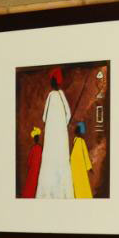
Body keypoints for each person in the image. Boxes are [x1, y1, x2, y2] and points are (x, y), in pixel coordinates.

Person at [34, 68, 72, 199]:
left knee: (49, 161)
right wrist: (62, 126)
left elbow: (44, 117)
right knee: (61, 160)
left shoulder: (50, 96)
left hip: (51, 138)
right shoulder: (61, 95)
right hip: (61, 137)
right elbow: (68, 114)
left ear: (52, 82)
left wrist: (53, 126)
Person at [69, 121, 94, 198]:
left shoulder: (75, 140)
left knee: (77, 184)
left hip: (74, 167)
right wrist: (89, 168)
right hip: (80, 168)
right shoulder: (81, 141)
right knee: (82, 184)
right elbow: (85, 155)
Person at [21, 127, 42, 198]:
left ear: (34, 139)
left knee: (30, 184)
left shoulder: (33, 148)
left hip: (32, 170)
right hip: (38, 169)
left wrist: (30, 165)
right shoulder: (40, 148)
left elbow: (29, 161)